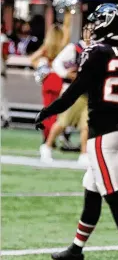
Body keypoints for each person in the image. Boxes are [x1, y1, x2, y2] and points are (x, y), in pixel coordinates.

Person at [34, 3, 118, 260]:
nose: (94, 26)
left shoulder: (99, 52)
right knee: (92, 189)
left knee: (113, 194)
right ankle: (76, 248)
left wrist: (47, 111)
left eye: (98, 21)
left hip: (103, 133)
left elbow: (75, 91)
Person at [39, 32, 89, 166]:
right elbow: (57, 63)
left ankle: (84, 154)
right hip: (71, 91)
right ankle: (47, 146)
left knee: (86, 125)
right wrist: (66, 73)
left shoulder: (99, 48)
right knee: (63, 122)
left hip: (88, 93)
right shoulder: (75, 48)